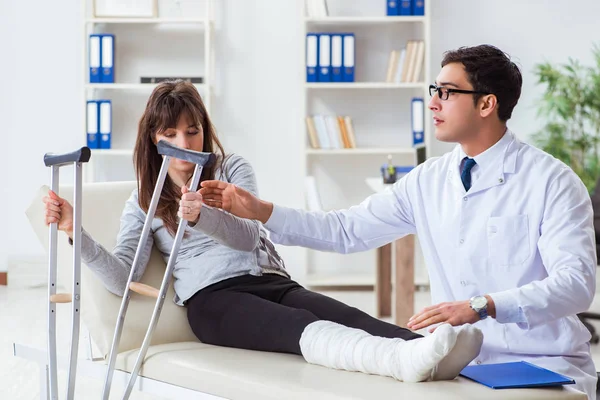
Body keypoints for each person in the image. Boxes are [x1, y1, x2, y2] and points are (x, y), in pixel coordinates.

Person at [200, 45, 598, 398]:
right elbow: (346, 229)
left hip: (543, 363)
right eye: (434, 91)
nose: (433, 103)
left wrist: (483, 305)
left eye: (447, 92)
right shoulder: (430, 179)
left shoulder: (552, 182)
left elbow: (577, 284)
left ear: (486, 104)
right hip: (462, 365)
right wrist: (261, 211)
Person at [42, 80, 483, 383]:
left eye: (193, 131)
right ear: (154, 140)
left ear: (203, 131)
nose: (185, 143)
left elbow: (248, 237)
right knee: (301, 326)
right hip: (212, 301)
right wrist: (73, 231)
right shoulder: (144, 199)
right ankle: (403, 361)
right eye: (172, 133)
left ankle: (437, 353)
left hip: (269, 281)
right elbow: (122, 278)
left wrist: (203, 215)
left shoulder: (232, 168)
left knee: (349, 316)